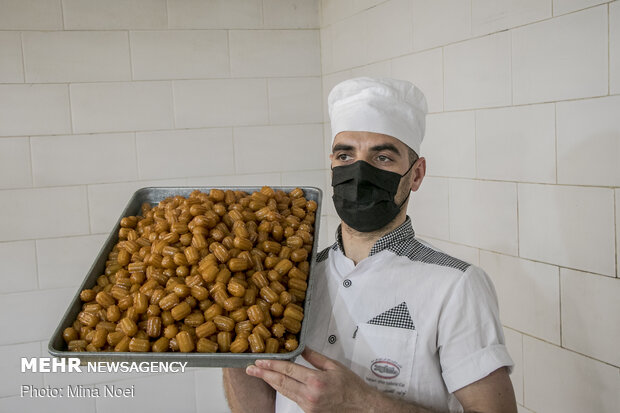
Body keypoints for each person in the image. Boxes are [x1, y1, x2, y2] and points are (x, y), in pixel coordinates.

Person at [223, 77, 517, 413]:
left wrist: (362, 403)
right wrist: (231, 351)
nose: (359, 172)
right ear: (331, 164)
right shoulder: (290, 281)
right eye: (345, 155)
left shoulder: (456, 286)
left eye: (382, 158)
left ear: (417, 174)